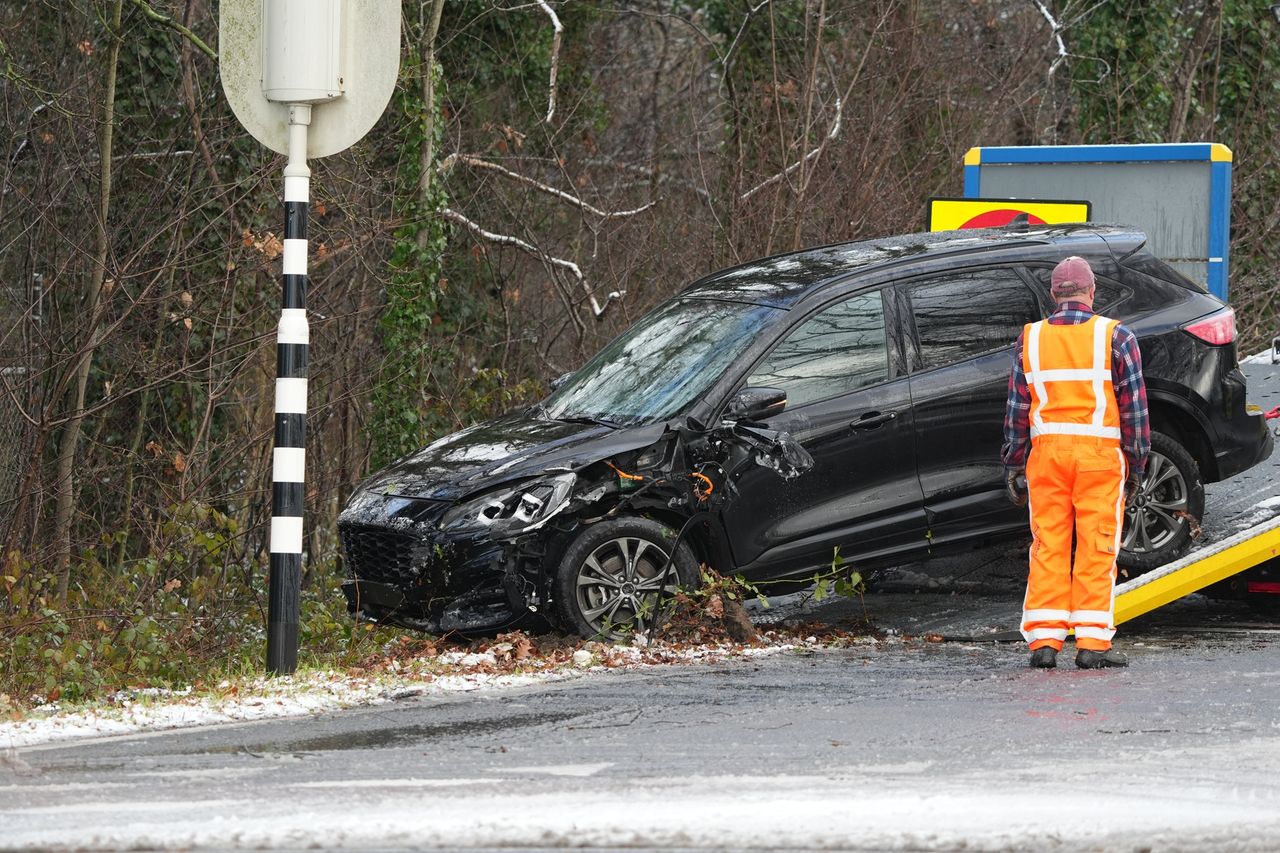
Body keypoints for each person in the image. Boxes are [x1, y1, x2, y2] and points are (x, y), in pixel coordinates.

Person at [1001, 256, 1150, 669]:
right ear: (1092, 293)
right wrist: (1136, 462)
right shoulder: (1116, 337)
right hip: (1099, 458)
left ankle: (1045, 644)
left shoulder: (1030, 339)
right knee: (1097, 546)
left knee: (1047, 544)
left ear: (1053, 294)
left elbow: (1017, 406)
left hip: (1046, 458)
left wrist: (1013, 461)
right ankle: (1091, 646)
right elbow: (1134, 408)